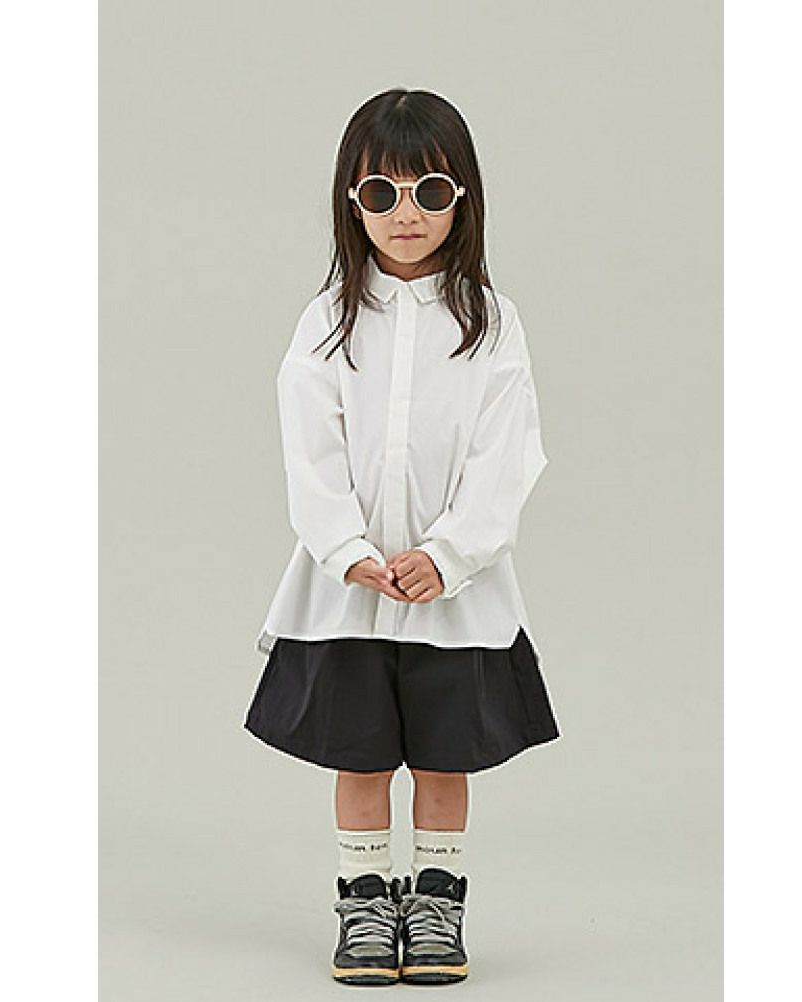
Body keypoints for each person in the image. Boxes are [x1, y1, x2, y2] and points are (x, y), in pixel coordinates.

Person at [241, 87, 561, 987]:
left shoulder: (492, 324)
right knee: (363, 756)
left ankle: (435, 907)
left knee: (444, 758)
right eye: (382, 193)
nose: (406, 214)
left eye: (431, 191)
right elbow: (309, 449)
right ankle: (365, 906)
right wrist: (347, 550)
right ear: (352, 202)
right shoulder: (328, 321)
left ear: (464, 199)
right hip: (351, 591)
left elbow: (509, 451)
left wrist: (450, 555)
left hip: (453, 595)